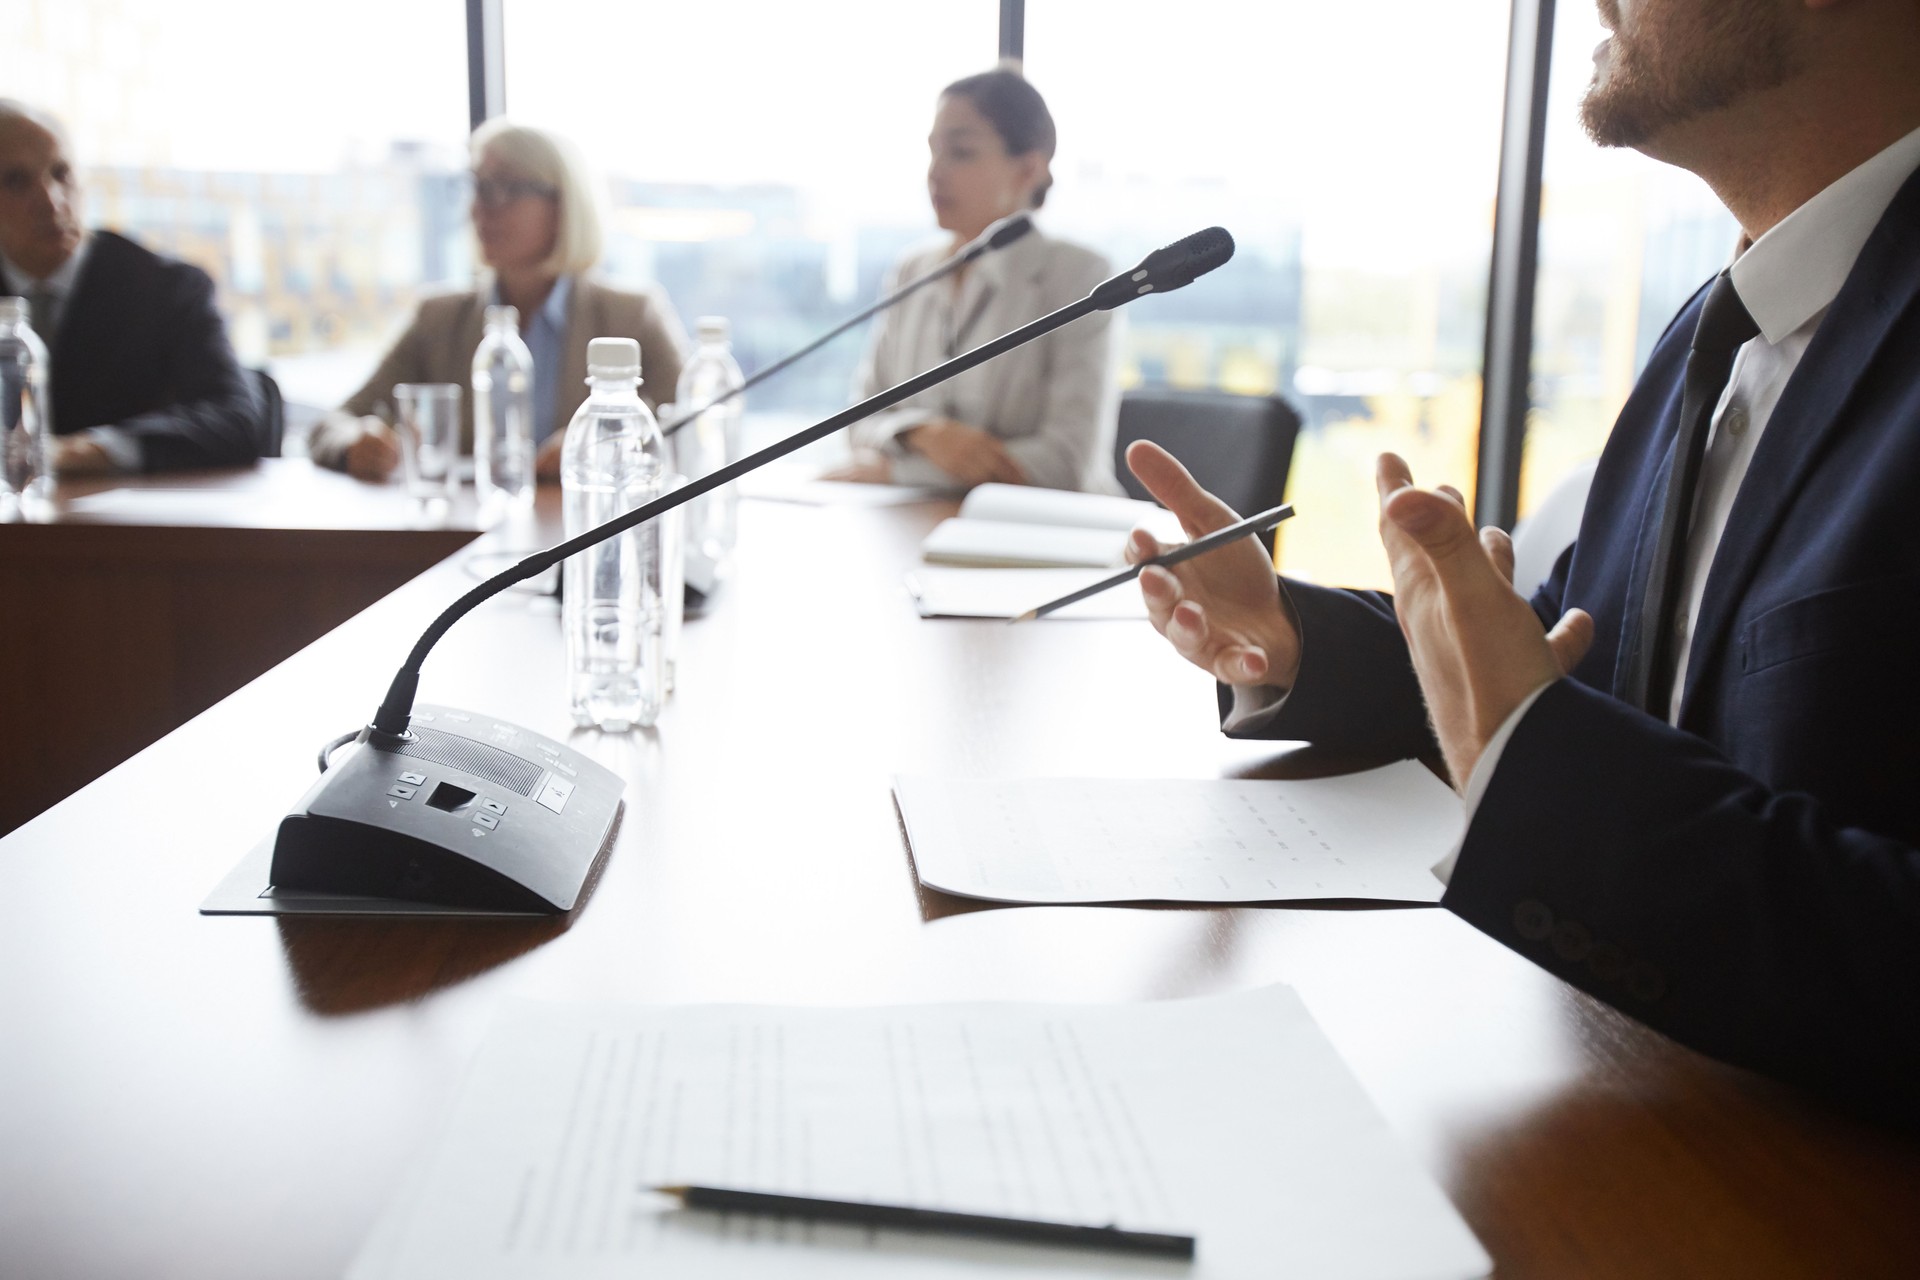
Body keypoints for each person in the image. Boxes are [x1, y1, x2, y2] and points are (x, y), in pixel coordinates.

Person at [1127, 0, 1920, 1124]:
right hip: (1621, 1114)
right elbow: (1576, 649)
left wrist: (1537, 770)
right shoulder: (1723, 323)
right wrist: (1302, 638)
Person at [309, 119, 686, 481]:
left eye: (506, 187)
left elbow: (694, 426)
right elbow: (333, 425)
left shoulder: (632, 316)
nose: (479, 208)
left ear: (564, 205)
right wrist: (354, 444)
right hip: (468, 532)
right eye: (478, 186)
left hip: (587, 530)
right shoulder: (438, 318)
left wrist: (604, 447)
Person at [829, 66, 1120, 493]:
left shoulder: (1079, 276)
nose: (935, 172)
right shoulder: (913, 269)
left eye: (961, 152)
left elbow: (1065, 463)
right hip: (921, 522)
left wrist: (900, 471)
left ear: (1028, 169)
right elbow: (859, 421)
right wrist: (923, 433)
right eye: (933, 151)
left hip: (1048, 534)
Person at [0, 100, 261, 474]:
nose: (50, 201)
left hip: (131, 525)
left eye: (61, 174)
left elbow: (237, 420)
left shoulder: (170, 289)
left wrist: (93, 451)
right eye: (16, 181)